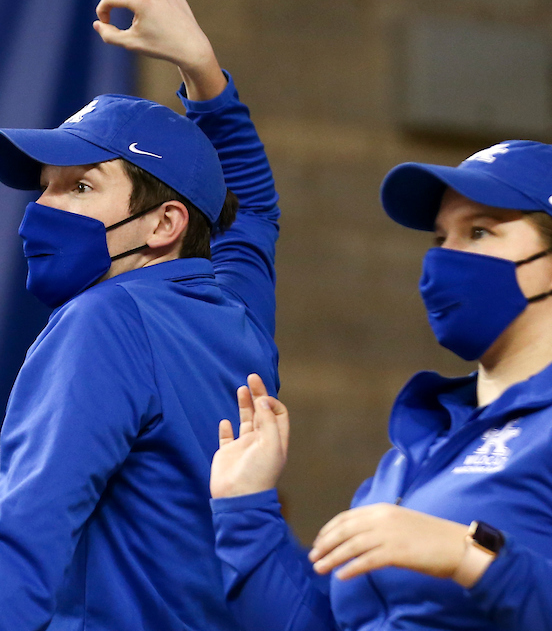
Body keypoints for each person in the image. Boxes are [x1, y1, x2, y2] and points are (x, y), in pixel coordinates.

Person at [0, 0, 281, 630]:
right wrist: (201, 68)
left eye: (79, 186)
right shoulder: (238, 313)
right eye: (45, 187)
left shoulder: (105, 321)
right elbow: (253, 207)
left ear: (163, 224)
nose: (43, 208)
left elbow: (24, 535)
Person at [210, 141, 552, 630]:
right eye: (439, 239)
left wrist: (470, 556)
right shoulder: (419, 445)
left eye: (479, 232)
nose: (443, 262)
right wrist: (244, 505)